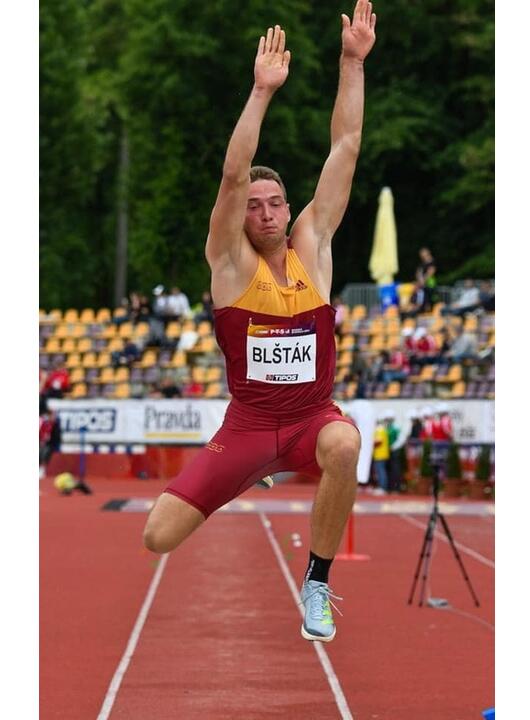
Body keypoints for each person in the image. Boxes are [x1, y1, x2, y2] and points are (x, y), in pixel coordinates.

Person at [142, 3, 377, 644]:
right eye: (256, 205)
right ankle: (250, 470)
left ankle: (317, 583)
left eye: (277, 202)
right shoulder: (228, 264)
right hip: (248, 428)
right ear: (241, 217)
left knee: (345, 444)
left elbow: (347, 146)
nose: (268, 212)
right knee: (156, 538)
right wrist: (260, 91)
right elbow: (231, 174)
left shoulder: (313, 247)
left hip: (310, 419)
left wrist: (351, 63)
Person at [371, 414, 391, 495]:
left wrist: (369, 444)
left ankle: (382, 487)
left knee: (381, 471)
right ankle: (382, 487)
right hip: (380, 453)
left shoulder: (379, 430)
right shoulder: (381, 429)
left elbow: (378, 441)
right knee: (380, 471)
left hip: (380, 454)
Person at [414, 247, 436, 312]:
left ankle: (429, 311)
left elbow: (431, 272)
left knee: (428, 299)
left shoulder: (432, 262)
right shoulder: (422, 263)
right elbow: (418, 272)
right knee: (421, 299)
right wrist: (419, 280)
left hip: (429, 284)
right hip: (422, 284)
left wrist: (423, 281)